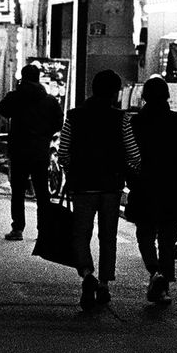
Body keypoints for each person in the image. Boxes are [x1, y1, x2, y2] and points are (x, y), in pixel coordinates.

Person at [58, 70, 140, 309]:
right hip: (110, 186)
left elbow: (63, 152)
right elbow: (133, 153)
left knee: (80, 234)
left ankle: (87, 275)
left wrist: (72, 171)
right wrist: (131, 170)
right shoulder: (121, 119)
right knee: (108, 236)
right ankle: (104, 283)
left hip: (82, 186)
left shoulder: (74, 116)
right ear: (114, 93)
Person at [125, 75, 177, 305]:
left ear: (145, 96)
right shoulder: (175, 120)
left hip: (145, 186)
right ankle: (164, 285)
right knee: (168, 239)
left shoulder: (136, 122)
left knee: (145, 233)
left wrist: (131, 180)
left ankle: (154, 271)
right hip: (172, 187)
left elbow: (131, 156)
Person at [0, 64, 61, 242]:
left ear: (22, 77)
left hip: (19, 150)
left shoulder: (15, 97)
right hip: (40, 151)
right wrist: (44, 134)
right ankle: (44, 230)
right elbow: (58, 124)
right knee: (42, 192)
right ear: (38, 77)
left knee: (18, 191)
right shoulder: (50, 100)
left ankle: (17, 229)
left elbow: (0, 112)